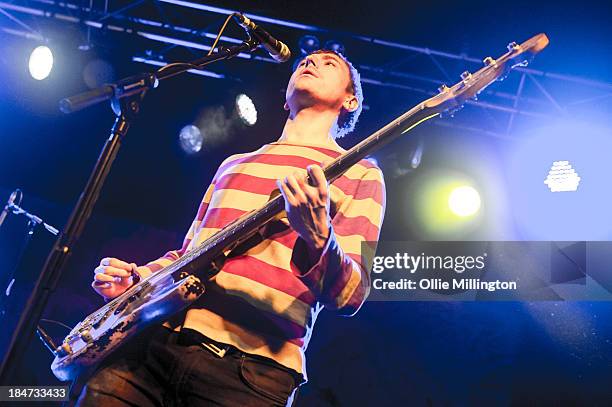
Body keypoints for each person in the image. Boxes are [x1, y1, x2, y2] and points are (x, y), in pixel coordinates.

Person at [76, 49, 386, 406]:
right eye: (305, 61)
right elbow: (187, 255)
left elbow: (351, 295)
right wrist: (136, 282)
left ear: (351, 100)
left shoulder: (361, 173)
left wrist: (319, 239)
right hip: (158, 344)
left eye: (329, 63)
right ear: (285, 100)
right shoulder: (234, 164)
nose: (310, 63)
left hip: (251, 374)